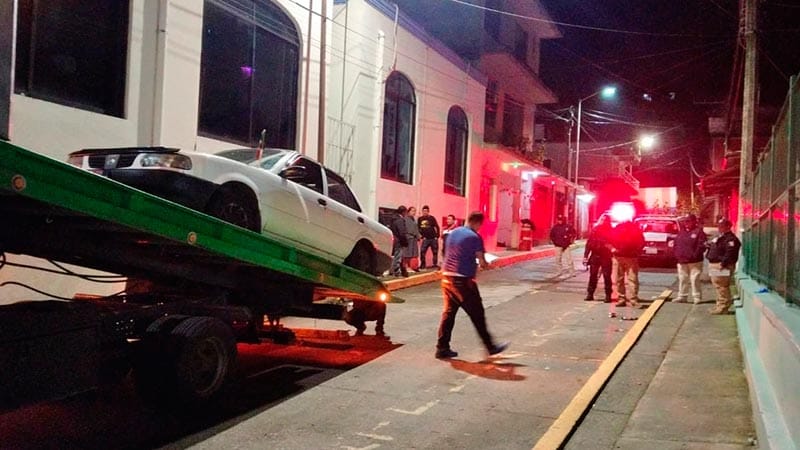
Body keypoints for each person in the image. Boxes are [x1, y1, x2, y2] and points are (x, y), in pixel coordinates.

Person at [436, 211, 509, 359]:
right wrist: (489, 265)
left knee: (449, 314)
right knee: (477, 314)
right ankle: (490, 347)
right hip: (463, 280)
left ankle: (442, 347)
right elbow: (482, 262)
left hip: (447, 277)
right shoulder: (475, 237)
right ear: (478, 223)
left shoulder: (453, 233)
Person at [706, 218, 741, 315]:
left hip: (721, 266)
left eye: (721, 226)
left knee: (722, 286)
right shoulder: (721, 237)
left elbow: (730, 252)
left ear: (728, 227)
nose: (719, 228)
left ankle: (723, 307)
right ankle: (720, 305)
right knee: (718, 285)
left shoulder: (730, 239)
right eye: (719, 226)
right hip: (715, 264)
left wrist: (723, 263)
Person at [673, 214, 707, 304]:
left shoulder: (699, 232)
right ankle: (682, 296)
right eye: (685, 221)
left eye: (688, 221)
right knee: (683, 278)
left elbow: (702, 246)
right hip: (682, 260)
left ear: (694, 221)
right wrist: (677, 255)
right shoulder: (682, 232)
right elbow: (676, 244)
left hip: (694, 261)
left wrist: (695, 255)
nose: (686, 223)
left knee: (694, 278)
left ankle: (697, 296)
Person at [611, 219, 645, 308]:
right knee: (631, 279)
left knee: (621, 279)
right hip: (627, 257)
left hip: (622, 256)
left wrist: (613, 249)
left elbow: (641, 242)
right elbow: (641, 242)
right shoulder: (634, 228)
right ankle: (631, 299)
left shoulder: (620, 228)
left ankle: (624, 299)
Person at [583, 215, 614, 302]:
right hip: (595, 255)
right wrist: (585, 256)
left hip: (606, 256)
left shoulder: (611, 230)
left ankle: (608, 295)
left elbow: (613, 242)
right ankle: (590, 293)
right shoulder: (595, 229)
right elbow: (589, 243)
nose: (603, 221)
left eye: (605, 220)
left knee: (606, 276)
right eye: (602, 219)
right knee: (593, 275)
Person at [418, 205, 441, 269]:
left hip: (433, 238)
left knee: (435, 252)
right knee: (422, 251)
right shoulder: (420, 219)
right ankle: (423, 265)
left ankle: (434, 264)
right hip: (425, 239)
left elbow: (437, 227)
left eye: (426, 211)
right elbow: (418, 228)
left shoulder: (432, 218)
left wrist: (437, 236)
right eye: (423, 211)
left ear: (428, 212)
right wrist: (422, 236)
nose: (425, 212)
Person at [389, 206, 409, 277]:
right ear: (403, 212)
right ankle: (396, 272)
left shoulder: (393, 219)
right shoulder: (400, 220)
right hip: (399, 240)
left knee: (395, 255)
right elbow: (402, 232)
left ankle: (392, 270)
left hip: (394, 239)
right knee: (398, 256)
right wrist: (405, 242)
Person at [404, 206, 422, 272]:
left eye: (415, 211)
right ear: (408, 212)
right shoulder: (406, 219)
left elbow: (415, 229)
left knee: (413, 253)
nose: (414, 212)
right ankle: (406, 267)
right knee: (407, 253)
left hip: (413, 239)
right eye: (412, 211)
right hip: (409, 238)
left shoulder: (413, 219)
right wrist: (418, 236)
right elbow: (411, 230)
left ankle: (413, 267)